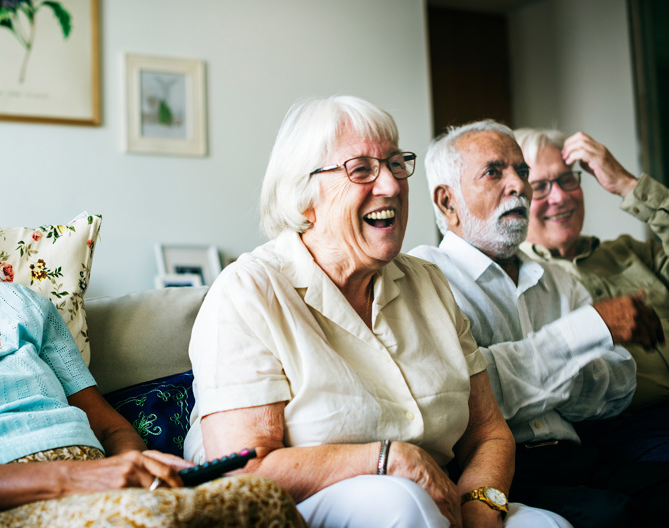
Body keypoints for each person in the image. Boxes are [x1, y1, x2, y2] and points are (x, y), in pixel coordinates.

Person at [183, 96, 569, 528]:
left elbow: (489, 433)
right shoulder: (249, 291)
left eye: (395, 163)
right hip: (308, 509)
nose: (391, 185)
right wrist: (388, 459)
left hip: (442, 499)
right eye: (362, 169)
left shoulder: (429, 283)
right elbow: (242, 470)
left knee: (547, 525)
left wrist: (481, 503)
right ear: (304, 195)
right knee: (401, 504)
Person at [0, 162, 304, 528]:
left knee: (260, 496)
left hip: (102, 479)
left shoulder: (15, 302)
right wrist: (77, 479)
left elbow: (111, 427)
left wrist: (136, 470)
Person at [409, 119, 667, 527]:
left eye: (522, 171)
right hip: (500, 472)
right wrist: (583, 335)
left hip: (581, 455)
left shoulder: (559, 280)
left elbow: (618, 383)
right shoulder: (424, 277)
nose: (519, 186)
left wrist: (518, 377)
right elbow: (465, 397)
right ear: (447, 202)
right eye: (495, 172)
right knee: (613, 518)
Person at [516, 128, 669, 411]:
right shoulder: (518, 282)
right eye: (539, 187)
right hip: (628, 431)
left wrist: (627, 184)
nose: (560, 197)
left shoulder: (631, 252)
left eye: (567, 179)